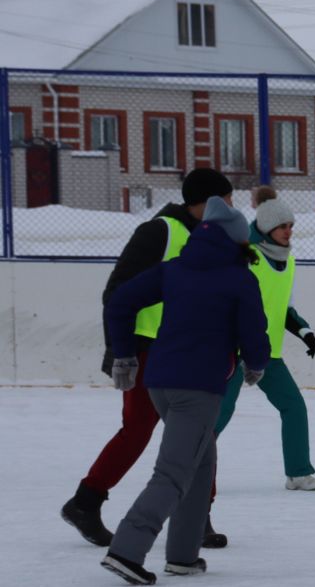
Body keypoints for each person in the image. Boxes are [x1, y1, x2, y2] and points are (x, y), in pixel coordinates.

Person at [98, 199, 271, 584]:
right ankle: (127, 550)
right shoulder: (239, 278)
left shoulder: (174, 270)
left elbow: (120, 302)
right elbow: (253, 331)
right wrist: (256, 363)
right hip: (198, 387)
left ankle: (182, 555)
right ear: (234, 242)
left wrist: (124, 355)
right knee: (174, 472)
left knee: (200, 462)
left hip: (158, 381)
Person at [61, 168, 234, 549]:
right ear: (203, 202)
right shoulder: (159, 231)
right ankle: (86, 501)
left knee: (199, 435)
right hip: (146, 349)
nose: (233, 207)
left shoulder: (211, 238)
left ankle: (198, 515)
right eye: (225, 200)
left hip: (186, 351)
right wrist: (121, 353)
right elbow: (117, 292)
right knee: (139, 430)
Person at [214, 189, 315, 490]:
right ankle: (184, 467)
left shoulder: (287, 262)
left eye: (291, 226)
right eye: (282, 226)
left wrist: (305, 332)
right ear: (266, 228)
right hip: (236, 351)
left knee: (293, 406)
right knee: (221, 412)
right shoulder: (247, 257)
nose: (289, 232)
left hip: (267, 353)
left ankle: (299, 473)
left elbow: (284, 307)